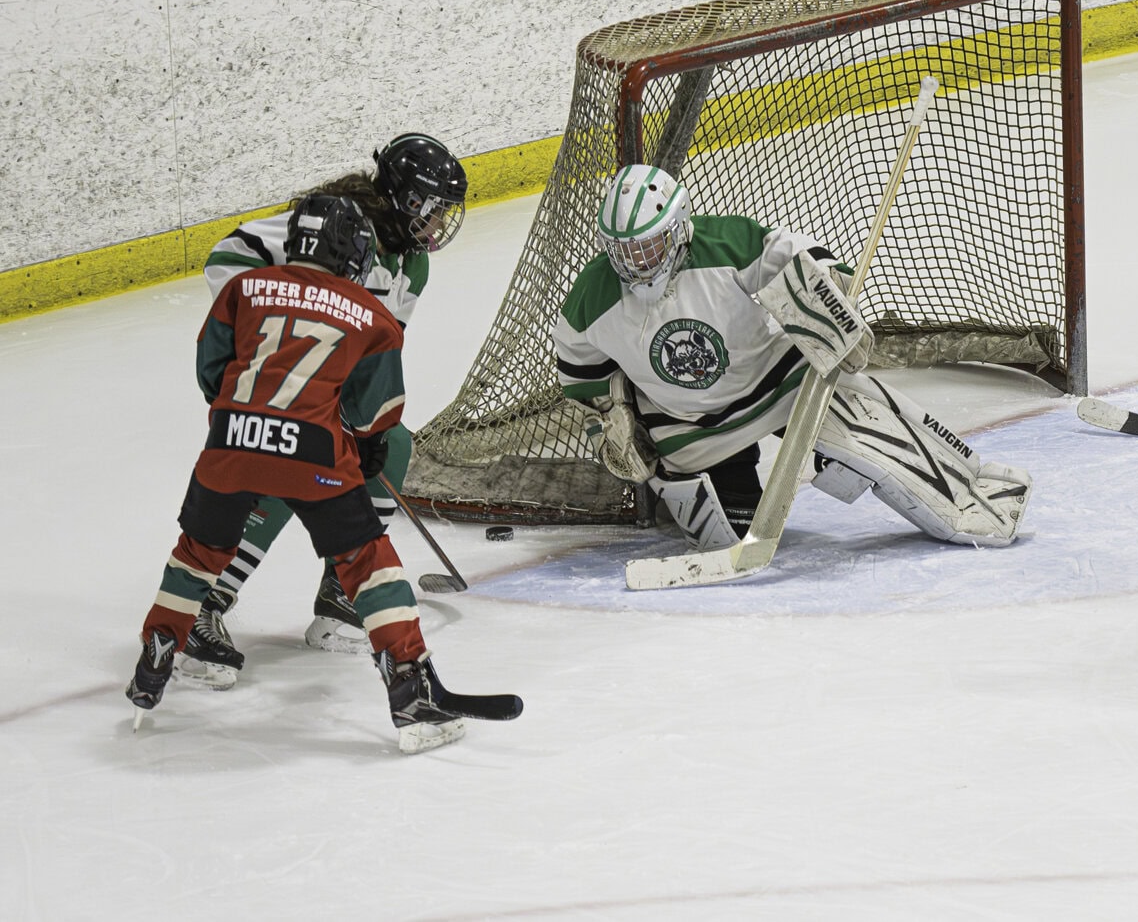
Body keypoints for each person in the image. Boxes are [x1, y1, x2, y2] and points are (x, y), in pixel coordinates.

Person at [126, 196, 494, 754]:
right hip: (314, 454)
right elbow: (376, 412)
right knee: (366, 561)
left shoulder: (244, 289)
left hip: (229, 444)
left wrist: (245, 420)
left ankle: (154, 663)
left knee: (197, 553)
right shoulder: (369, 312)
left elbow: (211, 369)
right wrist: (365, 444)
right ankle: (411, 692)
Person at [553, 164, 1032, 554]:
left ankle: (972, 488)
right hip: (690, 427)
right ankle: (729, 477)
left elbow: (792, 256)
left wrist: (832, 292)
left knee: (870, 434)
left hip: (779, 383)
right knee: (724, 539)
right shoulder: (591, 297)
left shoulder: (722, 242)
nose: (636, 261)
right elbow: (581, 373)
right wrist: (610, 418)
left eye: (648, 244)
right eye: (623, 249)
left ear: (678, 228)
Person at [178, 133, 468, 687]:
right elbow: (227, 256)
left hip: (318, 384)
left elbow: (376, 348)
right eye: (434, 209)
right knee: (293, 457)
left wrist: (364, 422)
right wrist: (264, 325)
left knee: (391, 444)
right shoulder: (334, 225)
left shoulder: (412, 266)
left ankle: (341, 597)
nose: (440, 224)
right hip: (268, 378)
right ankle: (203, 603)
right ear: (409, 200)